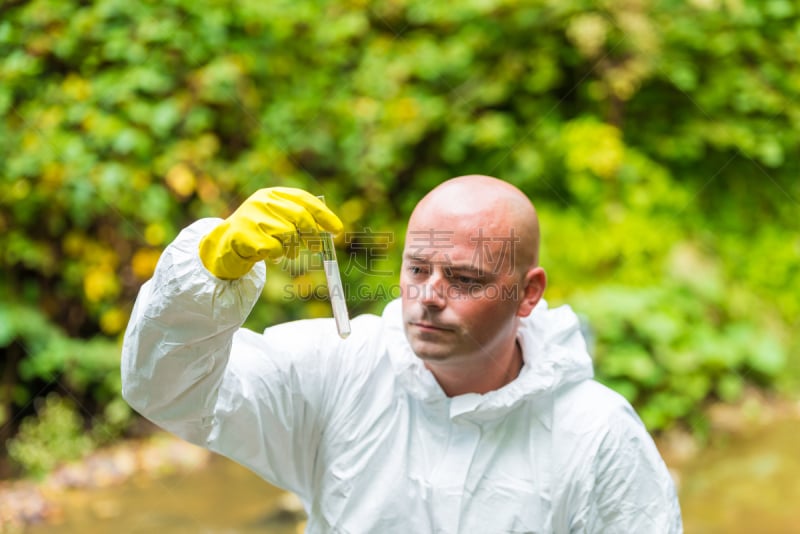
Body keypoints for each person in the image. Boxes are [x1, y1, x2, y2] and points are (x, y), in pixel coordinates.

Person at [121, 175, 683, 533]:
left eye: (463, 278)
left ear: (528, 293)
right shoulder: (343, 368)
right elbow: (169, 390)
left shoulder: (595, 433)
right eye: (417, 269)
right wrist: (207, 274)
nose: (429, 297)